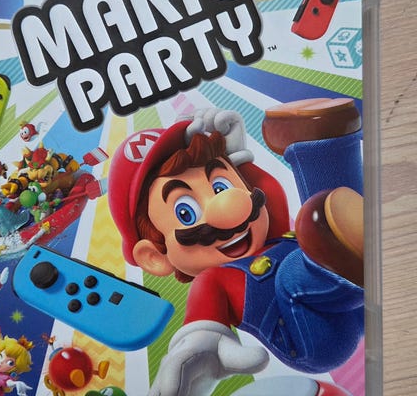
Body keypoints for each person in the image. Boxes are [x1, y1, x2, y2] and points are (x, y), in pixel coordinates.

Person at [108, 99, 364, 396]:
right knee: (298, 262)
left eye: (221, 186)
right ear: (154, 256)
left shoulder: (265, 228)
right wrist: (201, 348)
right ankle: (346, 249)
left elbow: (266, 191)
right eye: (186, 211)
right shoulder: (214, 280)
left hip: (357, 302)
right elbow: (203, 327)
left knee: (325, 210)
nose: (228, 207)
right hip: (314, 335)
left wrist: (237, 158)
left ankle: (324, 144)